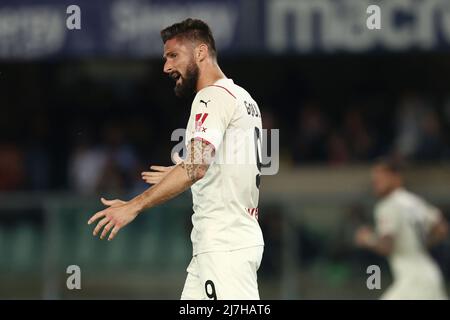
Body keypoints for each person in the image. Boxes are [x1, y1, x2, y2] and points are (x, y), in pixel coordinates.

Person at [88, 18, 265, 300]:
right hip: (224, 241)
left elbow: (196, 167)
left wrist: (134, 205)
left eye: (173, 56)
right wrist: (180, 170)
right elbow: (224, 162)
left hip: (224, 244)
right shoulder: (243, 98)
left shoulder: (210, 97)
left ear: (200, 53)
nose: (166, 67)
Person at [355, 158, 448, 299]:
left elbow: (387, 246)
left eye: (381, 178)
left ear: (396, 177)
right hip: (430, 275)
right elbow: (442, 229)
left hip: (413, 280)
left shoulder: (387, 205)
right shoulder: (414, 201)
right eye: (375, 179)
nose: (376, 183)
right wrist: (418, 244)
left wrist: (367, 238)